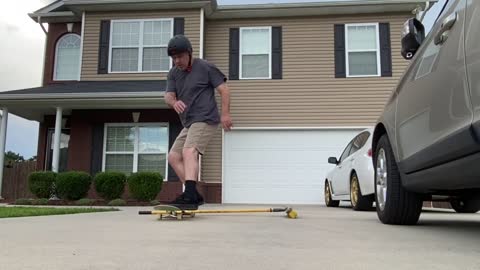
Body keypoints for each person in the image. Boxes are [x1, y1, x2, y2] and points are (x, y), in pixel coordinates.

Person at [164, 34, 233, 210]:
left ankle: (190, 194)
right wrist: (174, 102)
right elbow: (168, 96)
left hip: (206, 118)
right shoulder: (173, 73)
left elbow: (224, 90)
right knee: (173, 156)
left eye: (179, 57)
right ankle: (193, 194)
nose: (176, 61)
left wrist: (225, 114)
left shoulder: (205, 67)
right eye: (173, 58)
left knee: (189, 151)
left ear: (189, 53)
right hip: (189, 122)